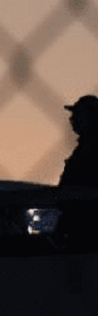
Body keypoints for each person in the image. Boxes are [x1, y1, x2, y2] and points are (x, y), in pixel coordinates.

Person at [56, 95, 98, 251]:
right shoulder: (84, 146)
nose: (73, 119)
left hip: (86, 221)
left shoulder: (91, 148)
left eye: (79, 115)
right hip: (76, 219)